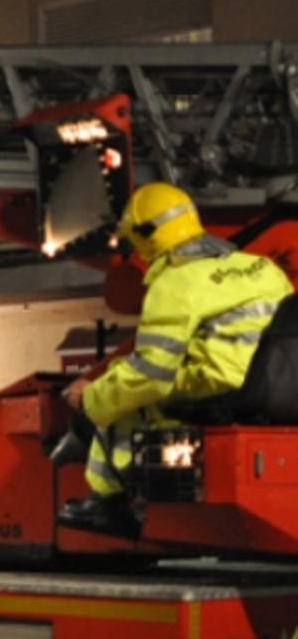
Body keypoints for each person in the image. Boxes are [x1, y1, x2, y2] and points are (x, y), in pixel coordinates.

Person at [56, 181, 293, 535]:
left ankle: (108, 503)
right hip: (277, 383)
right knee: (124, 377)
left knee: (124, 398)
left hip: (223, 385)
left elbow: (151, 374)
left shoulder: (176, 283)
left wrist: (89, 399)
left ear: (143, 236)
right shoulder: (261, 268)